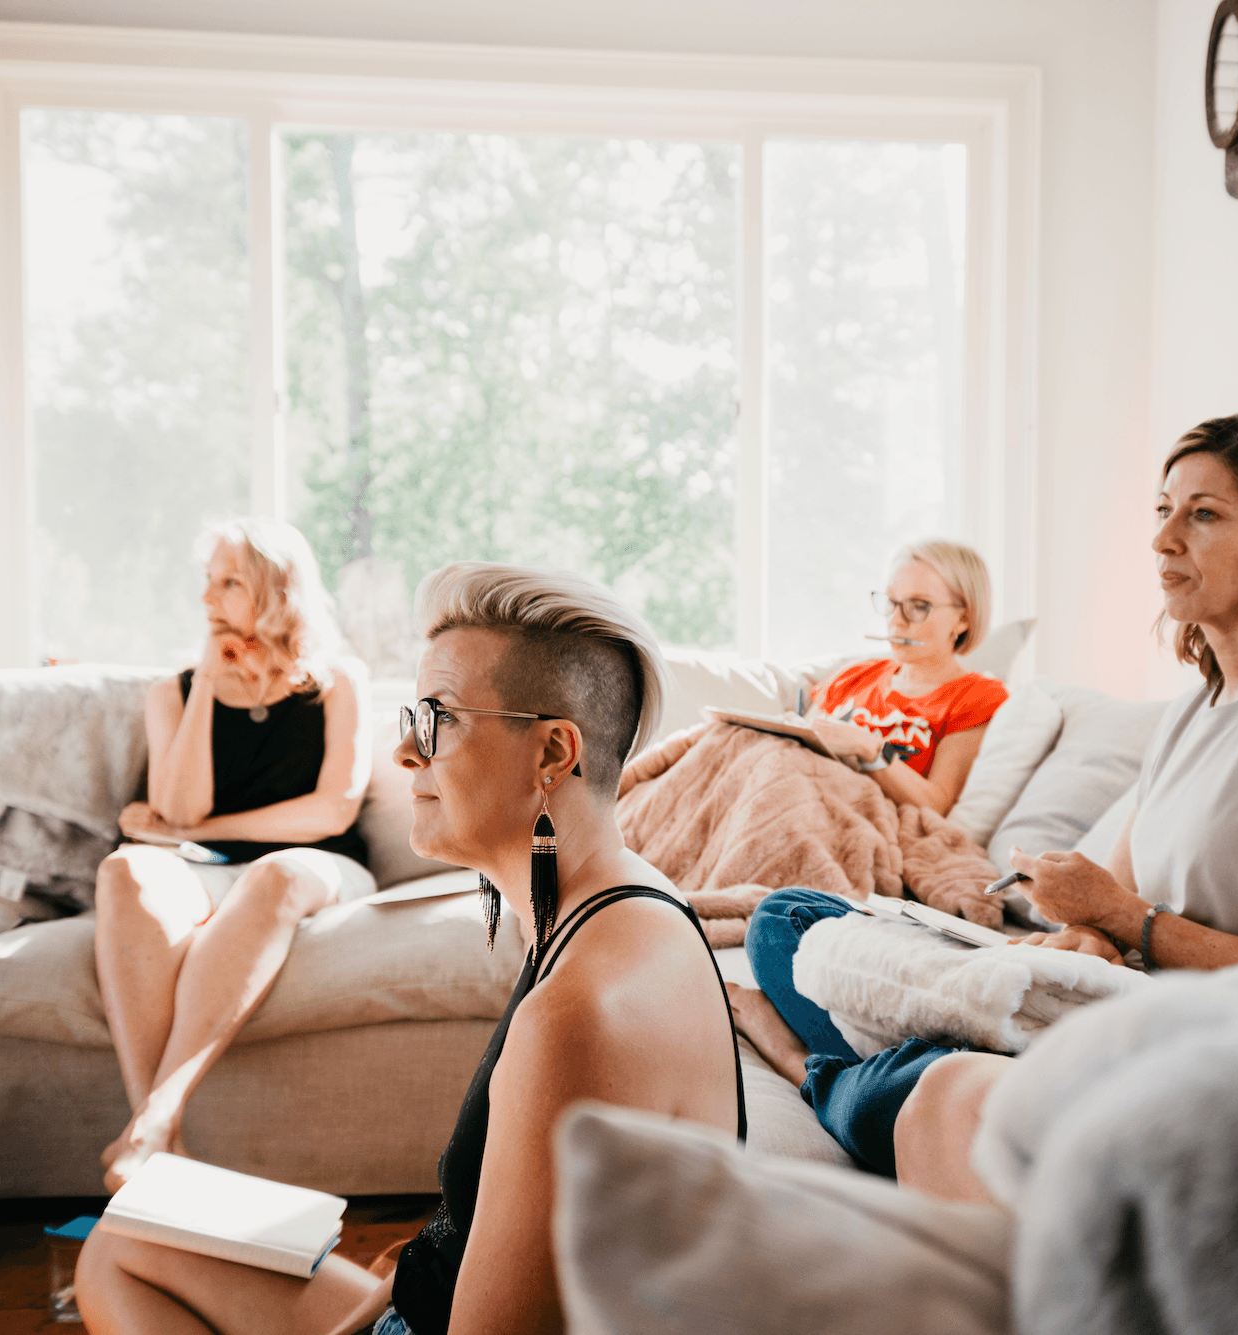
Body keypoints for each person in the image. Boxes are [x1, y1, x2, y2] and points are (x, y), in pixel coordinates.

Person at [728, 413, 1238, 1195]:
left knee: (926, 1090)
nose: (1164, 539)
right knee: (787, 919)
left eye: (1203, 514)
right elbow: (1109, 914)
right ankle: (879, 1074)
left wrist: (1127, 922)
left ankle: (826, 1075)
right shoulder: (1197, 709)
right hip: (1112, 1007)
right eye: (1164, 510)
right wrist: (1082, 935)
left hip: (1198, 1047)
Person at [77, 562, 745, 1335]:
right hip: (421, 1298)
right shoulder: (607, 909)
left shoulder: (580, 1014)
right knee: (124, 1241)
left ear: (553, 754)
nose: (403, 752)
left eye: (438, 717)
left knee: (118, 1256)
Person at [92, 518, 376, 1193]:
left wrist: (215, 825)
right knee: (125, 868)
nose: (207, 598)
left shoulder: (338, 682)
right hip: (205, 864)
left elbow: (331, 809)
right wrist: (207, 690)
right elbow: (181, 812)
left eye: (227, 582)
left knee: (275, 871)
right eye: (206, 582)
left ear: (277, 590)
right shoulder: (174, 692)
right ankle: (160, 1139)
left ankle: (156, 1113)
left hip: (319, 862)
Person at [800, 539, 1009, 815]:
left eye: (919, 606)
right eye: (891, 602)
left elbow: (934, 803)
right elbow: (793, 752)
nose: (896, 621)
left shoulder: (977, 697)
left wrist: (868, 747)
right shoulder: (852, 675)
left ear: (963, 619)